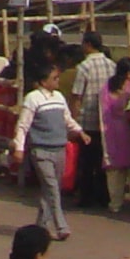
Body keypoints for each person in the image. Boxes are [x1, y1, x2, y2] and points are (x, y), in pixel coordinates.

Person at [15, 69, 81, 241]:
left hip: (59, 149)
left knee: (50, 190)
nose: (58, 81)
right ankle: (61, 226)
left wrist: (80, 132)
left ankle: (40, 228)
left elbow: (67, 119)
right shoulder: (33, 99)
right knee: (52, 188)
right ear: (43, 81)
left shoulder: (59, 98)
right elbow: (23, 125)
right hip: (41, 149)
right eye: (54, 78)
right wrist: (19, 148)